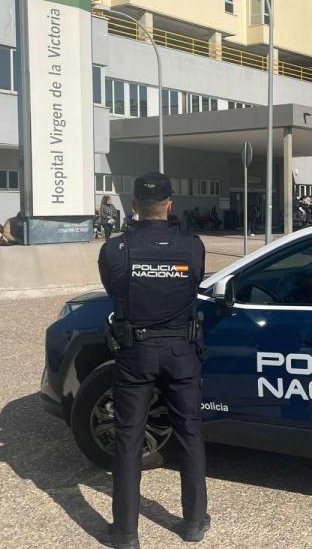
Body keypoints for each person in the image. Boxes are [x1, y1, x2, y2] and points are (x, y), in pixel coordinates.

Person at [99, 173, 209, 548]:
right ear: (169, 204)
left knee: (129, 439)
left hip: (136, 353)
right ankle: (194, 522)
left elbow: (114, 289)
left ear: (133, 206)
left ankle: (126, 532)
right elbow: (193, 283)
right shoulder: (193, 247)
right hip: (181, 351)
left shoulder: (115, 250)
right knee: (190, 433)